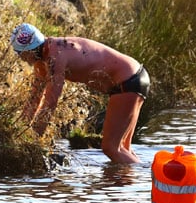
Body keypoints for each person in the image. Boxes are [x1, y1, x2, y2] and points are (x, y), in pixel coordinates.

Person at [11, 23, 148, 165]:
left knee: (111, 148)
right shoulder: (43, 58)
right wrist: (20, 134)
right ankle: (134, 180)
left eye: (21, 54)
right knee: (122, 148)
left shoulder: (55, 57)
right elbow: (33, 100)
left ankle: (146, 179)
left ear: (31, 50)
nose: (21, 58)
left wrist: (33, 140)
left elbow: (50, 102)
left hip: (128, 80)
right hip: (133, 77)